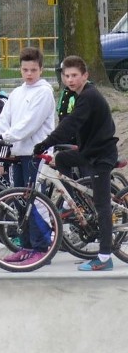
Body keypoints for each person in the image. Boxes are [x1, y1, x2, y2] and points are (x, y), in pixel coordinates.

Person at [33, 56, 118, 271]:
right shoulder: (78, 95)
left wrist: (46, 142)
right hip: (89, 151)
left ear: (85, 76)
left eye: (74, 76)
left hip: (101, 156)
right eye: (66, 76)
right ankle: (77, 200)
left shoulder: (88, 96)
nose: (70, 80)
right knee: (61, 159)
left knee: (102, 205)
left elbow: (71, 124)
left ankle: (105, 257)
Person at [0, 47, 55, 265]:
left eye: (33, 70)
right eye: (25, 69)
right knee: (19, 201)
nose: (29, 74)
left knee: (34, 201)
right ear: (20, 69)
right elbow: (4, 120)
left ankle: (42, 249)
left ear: (41, 69)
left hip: (37, 155)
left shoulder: (44, 92)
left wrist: (5, 137)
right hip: (18, 154)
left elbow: (29, 124)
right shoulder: (17, 93)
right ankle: (27, 246)